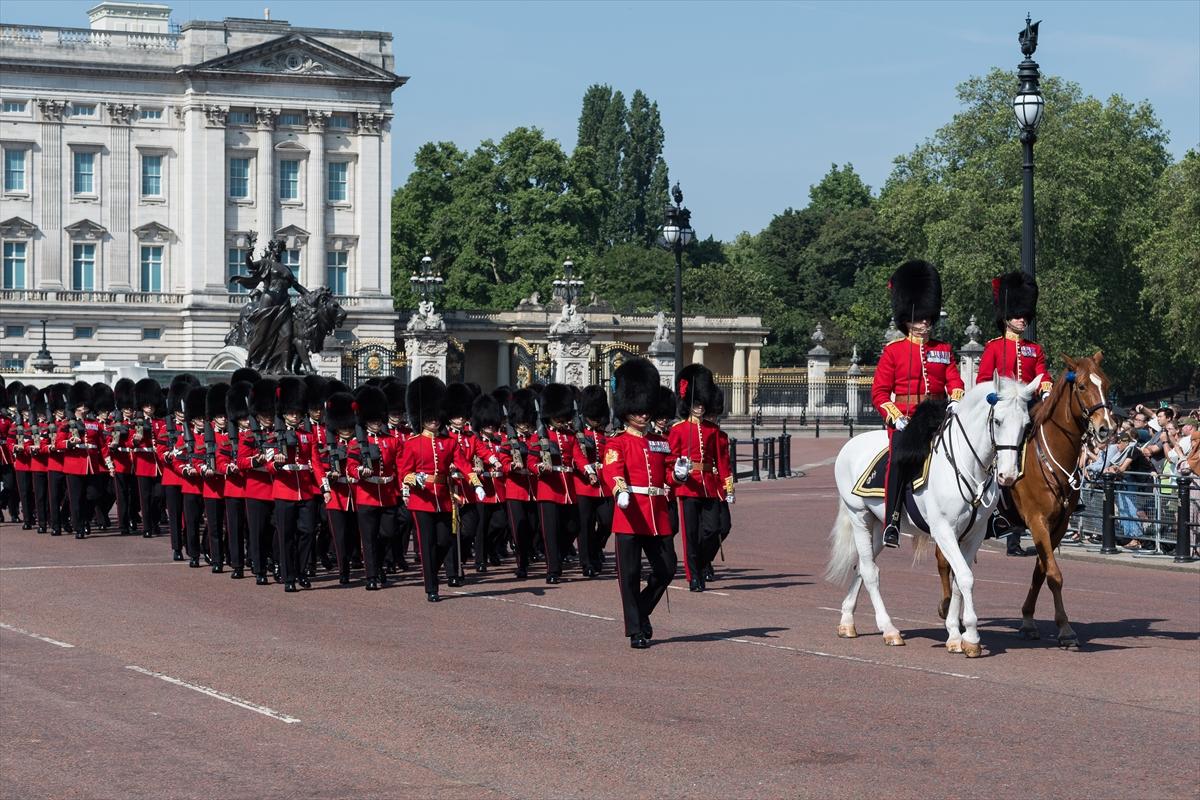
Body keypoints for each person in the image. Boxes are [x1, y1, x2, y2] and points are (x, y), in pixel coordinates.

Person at [872, 260, 965, 548]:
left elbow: (955, 382)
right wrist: (895, 416)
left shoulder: (943, 350)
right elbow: (879, 392)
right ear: (907, 319)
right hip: (907, 420)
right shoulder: (894, 352)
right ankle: (892, 522)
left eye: (928, 318)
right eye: (920, 318)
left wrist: (956, 399)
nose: (925, 323)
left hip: (937, 417)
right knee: (899, 460)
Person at [601, 358, 677, 649]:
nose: (643, 415)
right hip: (630, 513)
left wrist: (678, 474)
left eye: (646, 410)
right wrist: (619, 489)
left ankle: (640, 611)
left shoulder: (659, 441)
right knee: (630, 575)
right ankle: (636, 630)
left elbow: (669, 472)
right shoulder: (617, 441)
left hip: (657, 514)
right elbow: (612, 468)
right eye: (637, 410)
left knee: (667, 568)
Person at [977, 271, 1050, 555]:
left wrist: (1045, 390)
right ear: (1007, 316)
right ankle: (1008, 528)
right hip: (1005, 414)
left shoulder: (1035, 349)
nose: (1022, 319)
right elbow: (984, 379)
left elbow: (1042, 375)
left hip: (1029, 410)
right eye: (1018, 315)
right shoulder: (995, 347)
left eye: (1025, 315)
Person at [397, 376, 479, 602]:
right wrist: (414, 480)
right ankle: (432, 587)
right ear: (422, 418)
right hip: (421, 500)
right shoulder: (412, 443)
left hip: (443, 498)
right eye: (430, 418)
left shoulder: (449, 442)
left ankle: (431, 569)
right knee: (427, 542)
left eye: (436, 418)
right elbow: (404, 472)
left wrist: (475, 480)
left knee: (444, 541)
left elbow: (461, 461)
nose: (434, 421)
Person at [668, 364, 723, 592]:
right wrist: (677, 472)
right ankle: (693, 576)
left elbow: (719, 460)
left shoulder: (712, 430)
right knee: (690, 534)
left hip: (709, 485)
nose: (699, 408)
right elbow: (671, 458)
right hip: (688, 486)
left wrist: (724, 488)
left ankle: (701, 564)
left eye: (702, 404)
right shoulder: (678, 429)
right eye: (696, 404)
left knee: (712, 530)